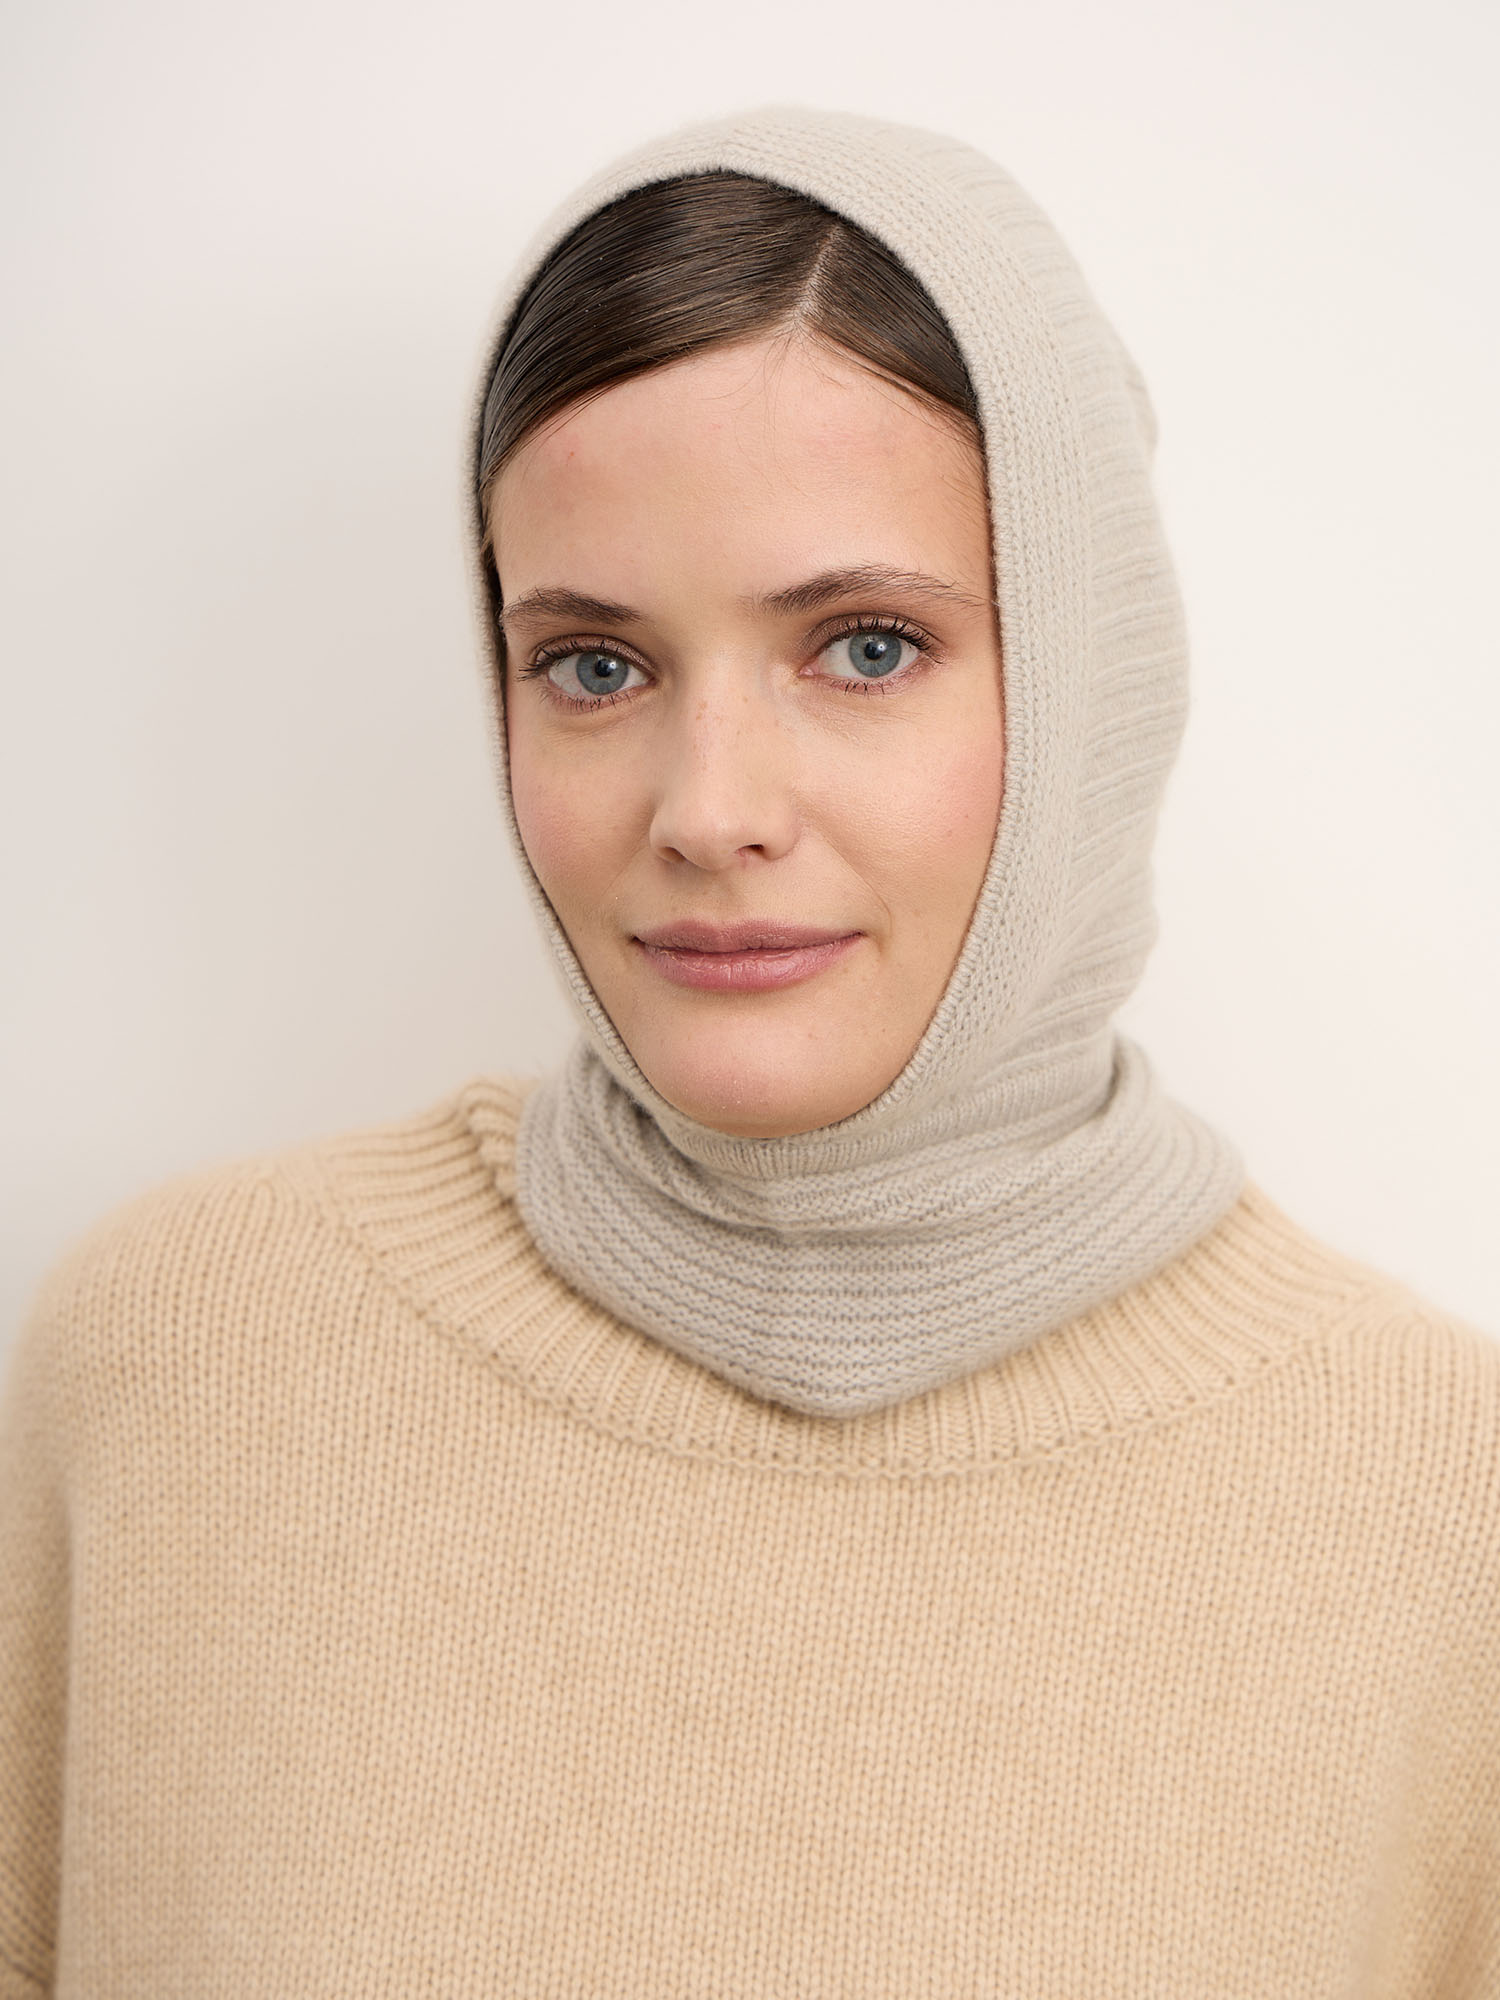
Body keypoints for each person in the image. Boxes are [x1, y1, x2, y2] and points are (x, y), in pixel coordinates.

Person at [1, 106, 1496, 1998]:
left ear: (1093, 677)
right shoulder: (179, 1365)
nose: (710, 812)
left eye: (864, 648)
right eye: (594, 665)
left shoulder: (1440, 1508)